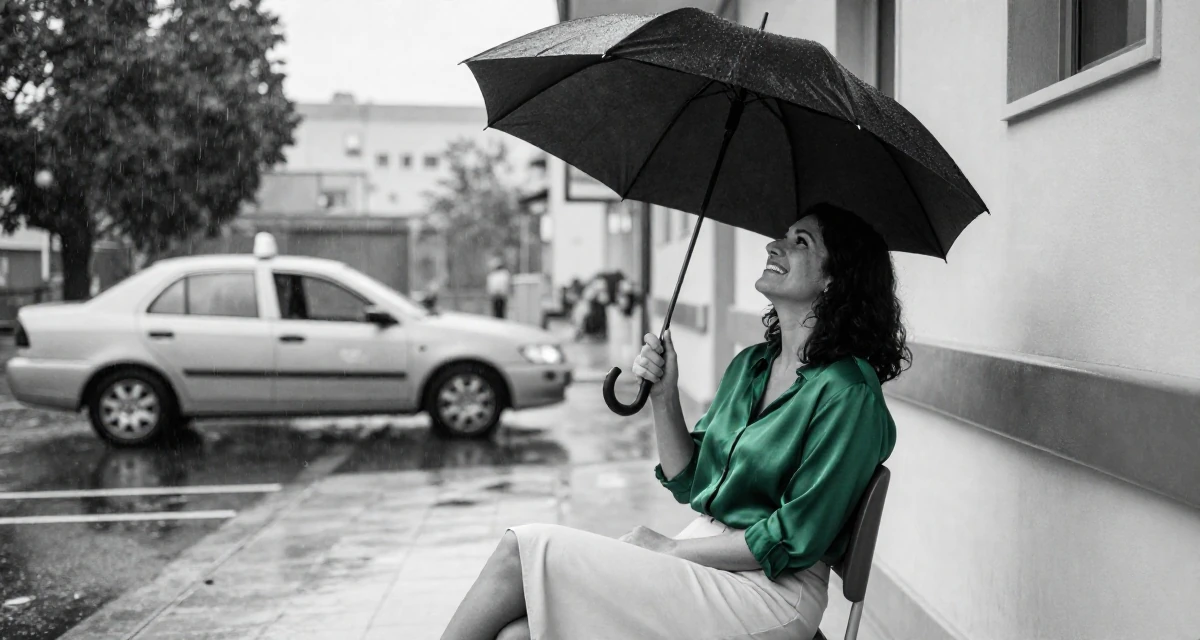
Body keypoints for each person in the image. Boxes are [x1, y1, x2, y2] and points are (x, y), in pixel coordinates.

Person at [440, 203, 908, 640]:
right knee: (517, 636)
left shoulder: (848, 392)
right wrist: (664, 396)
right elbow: (690, 479)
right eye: (783, 236)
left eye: (800, 242)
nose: (774, 245)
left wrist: (671, 550)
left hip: (770, 592)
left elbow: (794, 537)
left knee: (520, 550)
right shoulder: (751, 365)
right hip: (706, 556)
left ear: (834, 278)